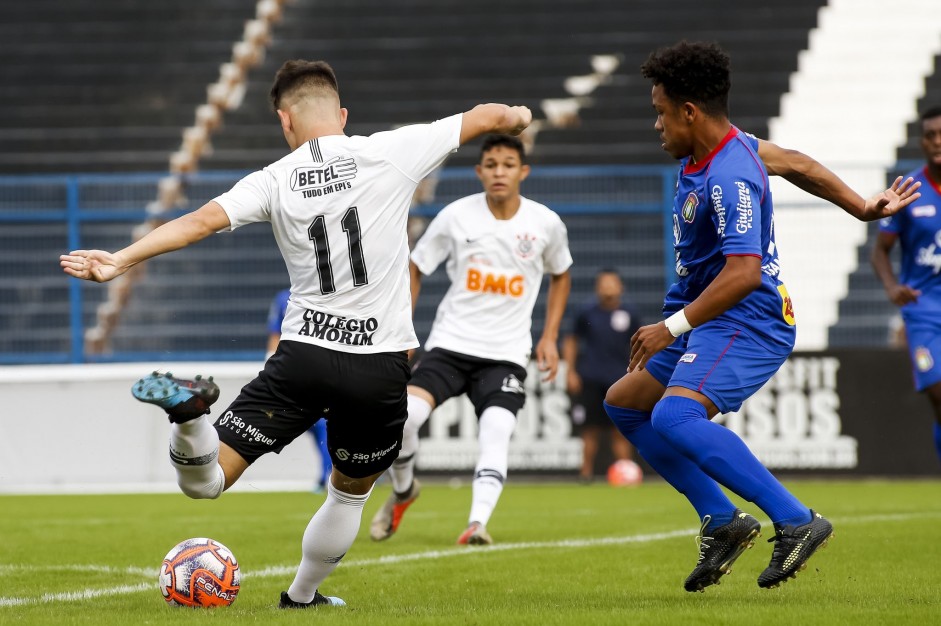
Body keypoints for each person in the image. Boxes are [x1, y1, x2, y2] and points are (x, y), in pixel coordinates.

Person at [60, 59, 532, 609]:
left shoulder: (274, 178)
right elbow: (487, 116)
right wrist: (516, 116)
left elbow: (196, 223)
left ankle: (190, 416)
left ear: (286, 122)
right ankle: (303, 597)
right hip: (377, 366)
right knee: (350, 492)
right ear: (343, 114)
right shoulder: (394, 150)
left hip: (301, 357)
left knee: (206, 483)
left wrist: (118, 260)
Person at [601, 41, 921, 593]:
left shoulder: (729, 175)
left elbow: (745, 273)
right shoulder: (733, 148)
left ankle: (797, 520)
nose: (656, 124)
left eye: (659, 111)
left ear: (689, 112)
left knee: (674, 418)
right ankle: (722, 522)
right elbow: (797, 164)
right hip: (707, 315)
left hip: (745, 318)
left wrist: (671, 328)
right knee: (626, 404)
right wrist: (862, 207)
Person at [369, 134, 573, 545]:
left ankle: (477, 523)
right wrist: (403, 329)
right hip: (450, 346)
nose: (499, 172)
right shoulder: (456, 216)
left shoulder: (545, 223)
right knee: (405, 419)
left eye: (508, 164)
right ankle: (405, 488)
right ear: (479, 171)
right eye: (491, 164)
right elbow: (416, 267)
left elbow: (561, 272)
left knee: (496, 429)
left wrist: (549, 336)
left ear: (523, 172)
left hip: (506, 354)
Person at [871, 105, 941, 466]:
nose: (937, 141)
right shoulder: (910, 192)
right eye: (930, 135)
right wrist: (892, 287)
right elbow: (880, 252)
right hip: (923, 310)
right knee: (938, 394)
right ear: (921, 141)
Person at [562, 269, 642, 483]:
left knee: (620, 429)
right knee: (590, 429)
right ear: (597, 287)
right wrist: (570, 372)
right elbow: (571, 341)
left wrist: (638, 373)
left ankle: (626, 473)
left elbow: (640, 343)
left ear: (620, 287)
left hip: (620, 380)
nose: (608, 287)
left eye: (612, 283)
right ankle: (585, 474)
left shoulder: (630, 313)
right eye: (603, 283)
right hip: (591, 378)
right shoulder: (586, 312)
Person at [266, 287, 331, 492]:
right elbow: (275, 333)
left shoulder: (331, 295)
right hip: (292, 371)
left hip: (323, 370)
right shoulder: (284, 298)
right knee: (314, 427)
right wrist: (270, 364)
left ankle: (326, 476)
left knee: (323, 425)